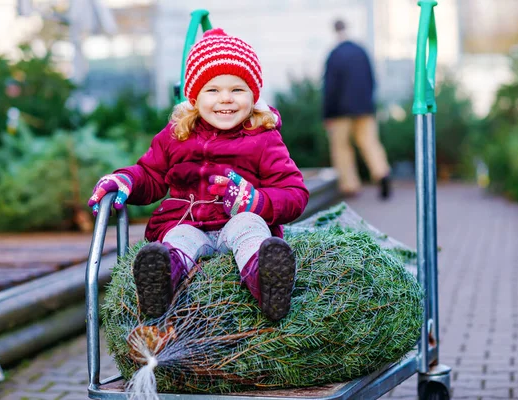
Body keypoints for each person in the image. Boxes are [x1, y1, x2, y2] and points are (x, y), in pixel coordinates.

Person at [88, 28, 309, 322]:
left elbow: (294, 192)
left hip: (235, 221)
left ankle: (267, 282)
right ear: (195, 96)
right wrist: (126, 179)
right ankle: (160, 282)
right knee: (178, 238)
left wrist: (256, 201)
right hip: (187, 222)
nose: (226, 99)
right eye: (213, 90)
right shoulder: (177, 134)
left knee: (249, 226)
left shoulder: (263, 138)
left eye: (237, 89)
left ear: (253, 95)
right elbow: (151, 174)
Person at [323, 19, 391, 199]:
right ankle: (382, 172)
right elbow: (372, 80)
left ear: (334, 31)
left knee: (341, 147)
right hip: (364, 108)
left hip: (340, 111)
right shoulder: (361, 51)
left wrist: (327, 113)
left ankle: (350, 185)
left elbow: (330, 88)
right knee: (369, 142)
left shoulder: (334, 55)